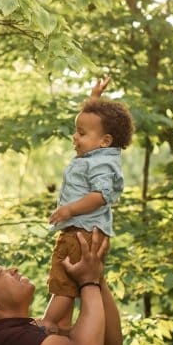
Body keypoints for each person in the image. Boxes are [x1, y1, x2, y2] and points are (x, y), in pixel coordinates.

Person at [42, 76, 133, 331]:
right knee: (66, 280)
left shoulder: (101, 162)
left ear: (105, 141)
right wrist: (94, 97)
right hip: (83, 231)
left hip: (83, 232)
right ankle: (60, 325)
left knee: (64, 280)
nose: (74, 137)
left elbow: (101, 195)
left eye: (81, 133)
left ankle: (48, 322)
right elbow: (93, 122)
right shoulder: (98, 152)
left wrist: (69, 209)